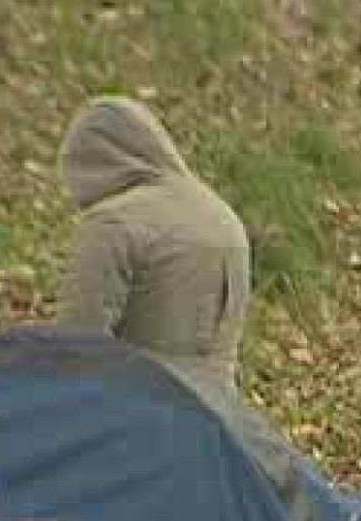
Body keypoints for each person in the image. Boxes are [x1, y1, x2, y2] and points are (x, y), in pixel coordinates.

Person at [58, 96, 251, 406]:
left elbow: (79, 341)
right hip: (215, 418)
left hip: (134, 415)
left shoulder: (113, 221)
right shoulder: (222, 216)